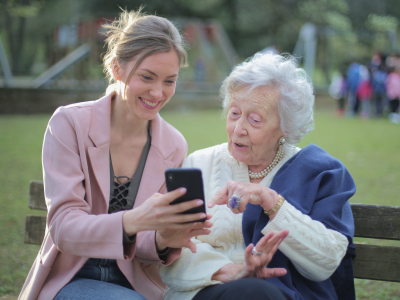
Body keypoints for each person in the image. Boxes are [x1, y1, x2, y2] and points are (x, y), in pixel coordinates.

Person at [19, 9, 212, 300]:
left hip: (138, 286)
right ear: (116, 68)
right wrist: (133, 220)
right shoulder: (69, 124)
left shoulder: (174, 144)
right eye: (147, 77)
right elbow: (63, 227)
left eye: (169, 81)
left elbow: (146, 244)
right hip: (70, 279)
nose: (158, 93)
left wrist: (163, 238)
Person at [159, 53, 356, 300]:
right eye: (234, 113)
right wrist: (229, 271)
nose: (238, 128)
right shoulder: (198, 164)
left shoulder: (319, 172)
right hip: (204, 292)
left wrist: (272, 203)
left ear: (286, 127)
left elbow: (327, 261)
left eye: (254, 119)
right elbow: (172, 247)